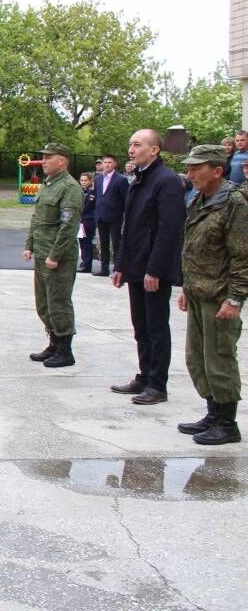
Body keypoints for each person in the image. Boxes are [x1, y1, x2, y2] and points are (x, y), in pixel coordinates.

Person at [176, 144, 246, 445]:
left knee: (219, 358)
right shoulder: (200, 199)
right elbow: (194, 247)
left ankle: (227, 424)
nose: (190, 173)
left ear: (217, 170)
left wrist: (235, 299)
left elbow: (242, 256)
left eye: (196, 168)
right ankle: (213, 413)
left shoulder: (235, 203)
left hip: (220, 296)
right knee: (198, 358)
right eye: (189, 168)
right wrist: (186, 289)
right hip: (198, 292)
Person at [111, 129, 185, 405]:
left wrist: (154, 269)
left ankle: (157, 384)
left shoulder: (166, 181)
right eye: (130, 144)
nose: (131, 149)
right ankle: (144, 375)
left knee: (156, 326)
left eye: (138, 144)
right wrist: (121, 264)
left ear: (154, 150)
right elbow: (129, 227)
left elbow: (169, 230)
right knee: (140, 325)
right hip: (135, 266)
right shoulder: (138, 179)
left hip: (153, 269)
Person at [23, 143, 83, 368]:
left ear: (63, 160)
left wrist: (55, 255)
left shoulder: (69, 187)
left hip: (58, 257)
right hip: (41, 252)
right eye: (43, 157)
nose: (44, 160)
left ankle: (65, 350)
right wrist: (29, 245)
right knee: (43, 303)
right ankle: (54, 343)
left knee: (58, 302)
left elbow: (68, 226)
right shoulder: (48, 186)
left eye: (49, 157)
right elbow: (36, 219)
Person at [93, 154, 128, 278]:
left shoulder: (121, 179)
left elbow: (126, 199)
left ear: (114, 164)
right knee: (103, 243)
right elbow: (98, 196)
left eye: (109, 162)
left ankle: (118, 269)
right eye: (105, 162)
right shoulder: (98, 179)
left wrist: (124, 215)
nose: (106, 164)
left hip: (115, 217)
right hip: (101, 216)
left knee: (116, 244)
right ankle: (104, 268)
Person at [78, 172, 97, 273]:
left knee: (86, 242)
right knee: (82, 241)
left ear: (90, 181)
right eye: (82, 180)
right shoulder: (81, 191)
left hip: (88, 220)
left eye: (85, 180)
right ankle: (84, 261)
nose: (83, 182)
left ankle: (87, 264)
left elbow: (87, 207)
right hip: (81, 221)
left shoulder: (92, 192)